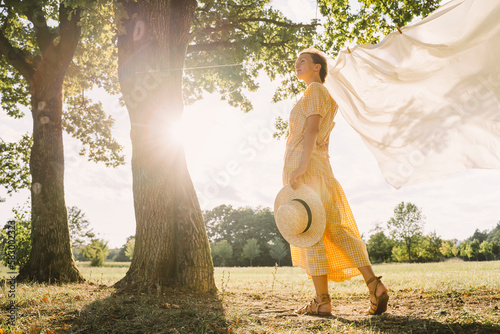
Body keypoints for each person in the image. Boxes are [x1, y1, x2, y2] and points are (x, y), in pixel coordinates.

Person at [282, 47, 389, 316]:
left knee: (311, 231)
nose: (297, 64)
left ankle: (322, 301)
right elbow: (323, 139)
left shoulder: (316, 91)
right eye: (296, 61)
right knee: (335, 230)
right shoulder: (319, 95)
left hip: (308, 171)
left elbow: (314, 130)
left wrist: (302, 165)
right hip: (318, 169)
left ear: (317, 67)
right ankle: (374, 284)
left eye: (303, 61)